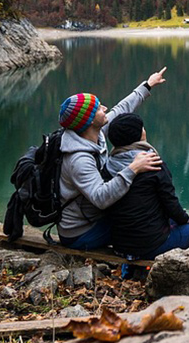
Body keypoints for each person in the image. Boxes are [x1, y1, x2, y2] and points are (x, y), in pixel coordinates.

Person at [55, 67, 167, 250]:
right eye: (99, 108)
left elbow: (121, 108)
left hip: (93, 217)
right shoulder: (78, 160)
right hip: (80, 232)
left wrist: (148, 85)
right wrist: (133, 168)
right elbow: (101, 198)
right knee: (145, 224)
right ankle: (136, 265)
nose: (105, 108)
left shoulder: (93, 133)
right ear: (90, 120)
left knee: (144, 215)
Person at [104, 112, 189, 261]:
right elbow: (170, 202)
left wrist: (182, 218)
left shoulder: (109, 165)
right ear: (138, 135)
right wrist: (187, 220)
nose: (144, 130)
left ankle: (129, 272)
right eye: (142, 128)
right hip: (149, 247)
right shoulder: (153, 164)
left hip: (120, 246)